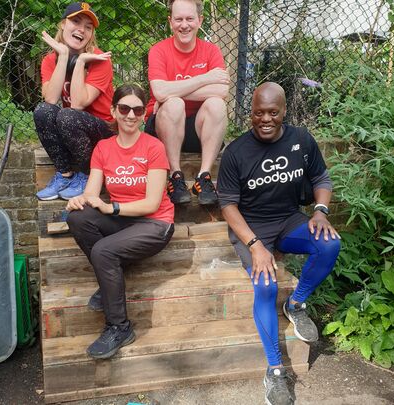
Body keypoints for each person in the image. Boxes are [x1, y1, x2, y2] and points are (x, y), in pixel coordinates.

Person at [217, 82, 341, 405]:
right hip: (251, 227)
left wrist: (320, 211)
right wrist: (255, 245)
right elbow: (228, 206)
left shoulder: (301, 139)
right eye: (259, 113)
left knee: (328, 244)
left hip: (287, 220)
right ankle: (274, 371)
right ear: (251, 114)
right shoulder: (236, 152)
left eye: (273, 112)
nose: (266, 119)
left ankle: (296, 305)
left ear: (284, 111)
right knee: (266, 286)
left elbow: (321, 179)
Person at [66, 84, 175, 359]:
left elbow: (151, 204)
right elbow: (92, 191)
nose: (130, 115)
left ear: (143, 114)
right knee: (78, 218)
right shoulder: (103, 148)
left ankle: (119, 327)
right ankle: (109, 279)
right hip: (124, 221)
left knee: (103, 251)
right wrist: (81, 199)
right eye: (124, 108)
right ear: (113, 111)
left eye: (137, 110)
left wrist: (111, 207)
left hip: (155, 224)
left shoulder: (154, 147)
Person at [146, 0, 230, 206]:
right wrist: (204, 78)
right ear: (170, 22)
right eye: (179, 19)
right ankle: (175, 176)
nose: (184, 25)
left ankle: (204, 177)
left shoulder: (211, 51)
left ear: (200, 20)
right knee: (174, 105)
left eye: (190, 19)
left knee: (216, 104)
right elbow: (159, 91)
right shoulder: (158, 51)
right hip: (162, 128)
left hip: (196, 130)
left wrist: (173, 90)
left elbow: (222, 91)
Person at [34, 2, 114, 200]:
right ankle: (65, 174)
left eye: (88, 27)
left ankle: (87, 175)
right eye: (76, 22)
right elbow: (51, 99)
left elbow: (78, 103)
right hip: (73, 131)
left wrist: (79, 62)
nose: (81, 29)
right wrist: (62, 57)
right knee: (43, 111)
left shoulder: (100, 59)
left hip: (103, 132)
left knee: (68, 115)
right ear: (63, 24)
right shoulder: (49, 60)